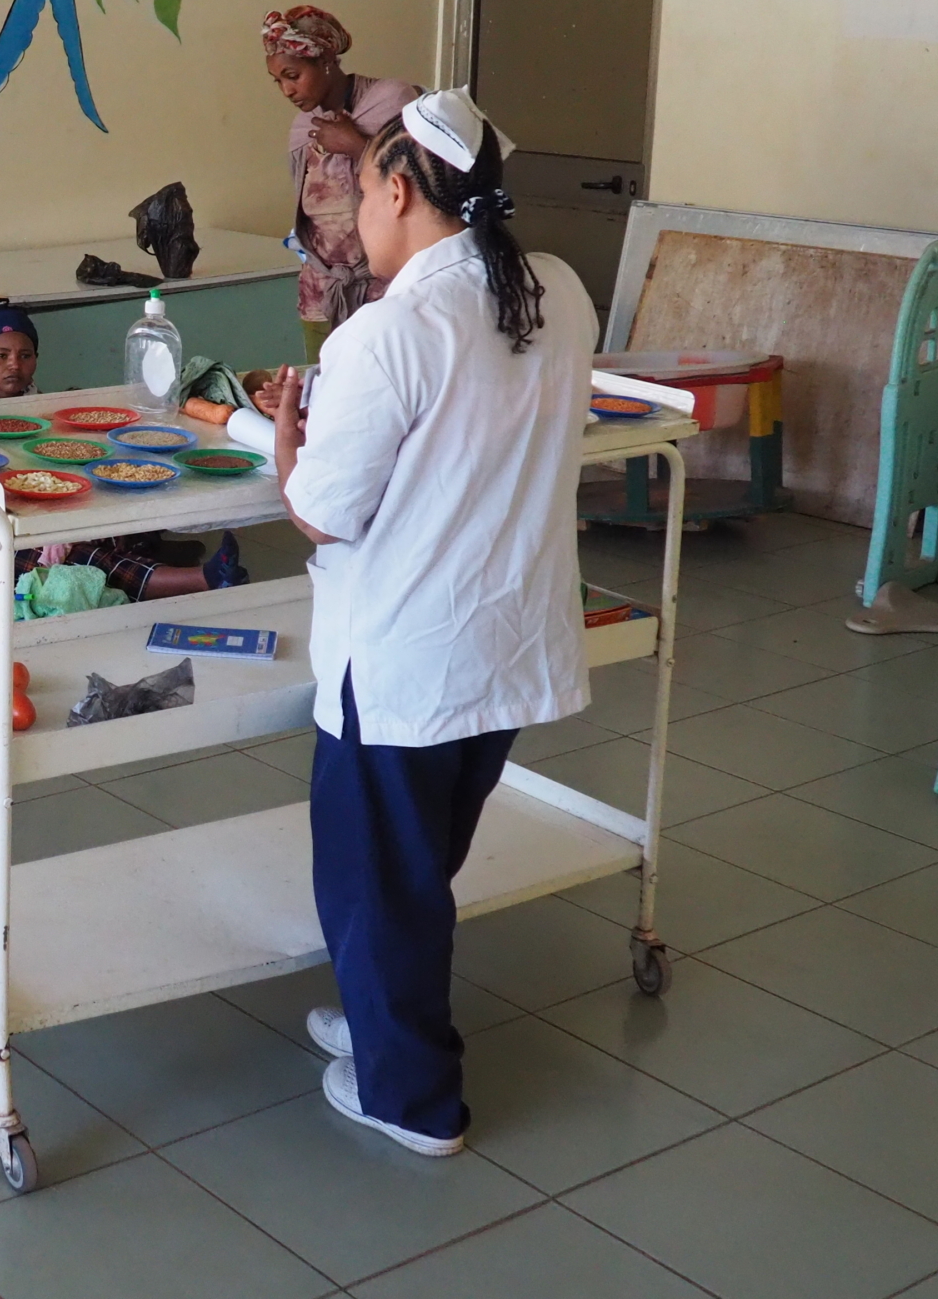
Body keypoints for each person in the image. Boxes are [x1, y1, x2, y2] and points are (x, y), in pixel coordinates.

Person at [255, 90, 595, 1157]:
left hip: (405, 656)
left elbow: (322, 510)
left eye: (362, 190)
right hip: (504, 639)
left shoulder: (391, 330)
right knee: (419, 861)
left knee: (376, 876)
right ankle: (378, 1015)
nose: (357, 213)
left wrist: (286, 441)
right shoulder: (558, 291)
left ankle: (409, 1096)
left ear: (400, 191)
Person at [0, 308, 244, 600]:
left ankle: (150, 557)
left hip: (38, 518)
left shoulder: (40, 408)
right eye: (1, 356)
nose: (14, 365)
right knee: (82, 561)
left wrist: (60, 528)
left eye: (25, 355)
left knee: (102, 524)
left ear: (36, 359)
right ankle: (203, 578)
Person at [263, 6, 425, 359]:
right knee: (320, 385)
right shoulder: (303, 129)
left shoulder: (392, 102)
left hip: (387, 291)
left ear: (325, 62)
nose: (287, 90)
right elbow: (307, 217)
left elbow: (424, 189)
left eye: (293, 75)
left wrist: (356, 146)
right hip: (321, 292)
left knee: (385, 381)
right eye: (278, 81)